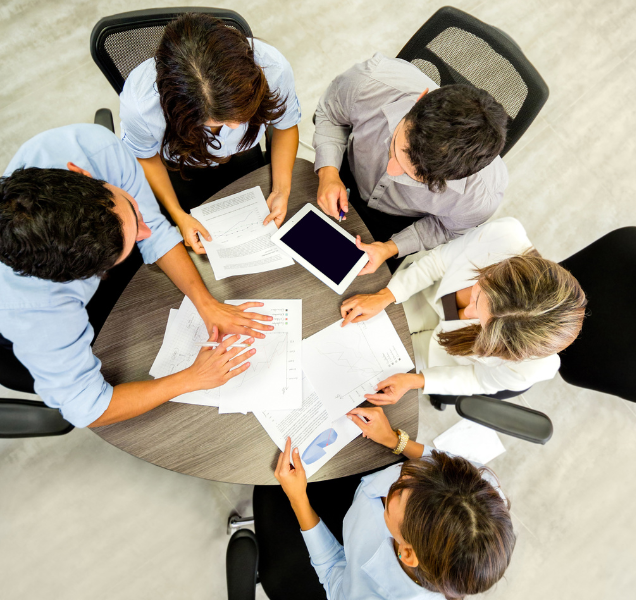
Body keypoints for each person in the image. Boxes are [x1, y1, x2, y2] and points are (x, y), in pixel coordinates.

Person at [0, 124, 272, 428]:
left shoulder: (90, 146)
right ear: (88, 275)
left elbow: (153, 231)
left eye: (131, 209)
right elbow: (87, 409)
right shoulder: (40, 312)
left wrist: (205, 303)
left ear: (82, 174)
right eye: (129, 243)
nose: (146, 230)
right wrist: (192, 378)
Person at [254, 406, 515, 600]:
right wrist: (395, 440)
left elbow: (334, 573)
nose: (407, 471)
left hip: (337, 532)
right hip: (360, 486)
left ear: (407, 553)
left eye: (399, 492)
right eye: (421, 470)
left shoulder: (377, 594)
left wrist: (298, 498)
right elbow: (438, 458)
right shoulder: (484, 492)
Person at [340, 218, 587, 401]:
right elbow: (438, 262)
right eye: (478, 296)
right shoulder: (504, 235)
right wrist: (387, 295)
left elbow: (478, 379)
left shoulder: (533, 365)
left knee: (360, 370)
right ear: (497, 270)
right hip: (422, 295)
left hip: (442, 354)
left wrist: (415, 381)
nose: (467, 314)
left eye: (482, 323)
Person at [119, 12, 301, 254]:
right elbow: (145, 156)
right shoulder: (141, 105)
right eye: (218, 120)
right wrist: (179, 216)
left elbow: (284, 125)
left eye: (242, 112)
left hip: (245, 153)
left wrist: (281, 190)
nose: (235, 127)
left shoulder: (274, 68)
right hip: (180, 165)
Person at [313, 53, 508, 273]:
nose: (391, 170)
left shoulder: (480, 197)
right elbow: (331, 114)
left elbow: (445, 228)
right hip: (342, 170)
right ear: (420, 98)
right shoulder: (371, 81)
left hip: (395, 225)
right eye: (396, 146)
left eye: (413, 176)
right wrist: (328, 171)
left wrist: (389, 248)